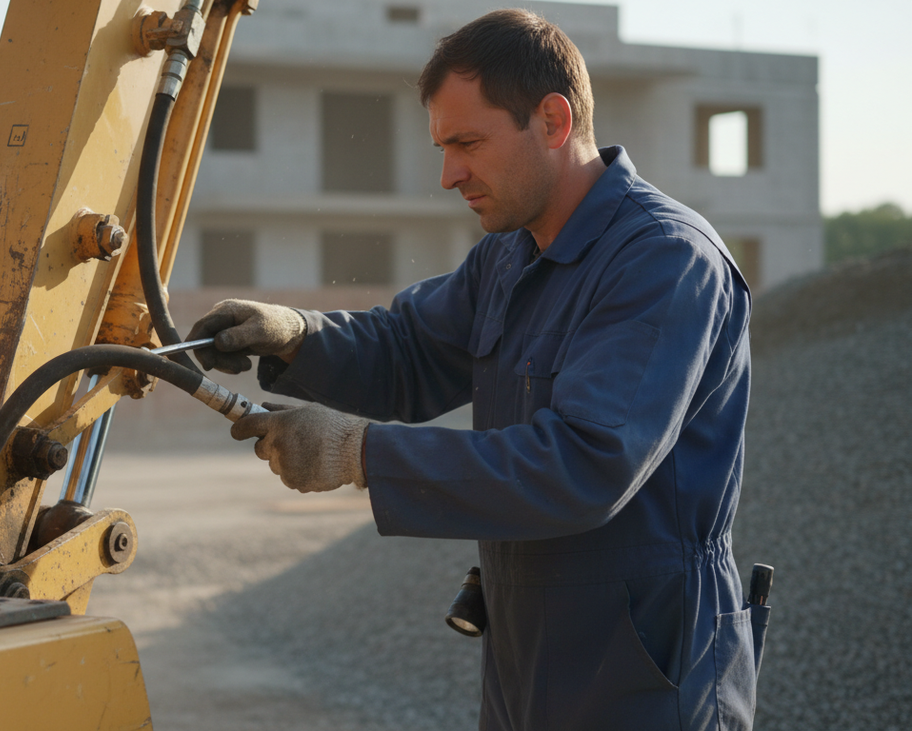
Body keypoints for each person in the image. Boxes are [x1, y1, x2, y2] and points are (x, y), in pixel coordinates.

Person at [187, 8, 759, 731]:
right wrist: (297, 336)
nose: (449, 173)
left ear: (553, 119)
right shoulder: (511, 252)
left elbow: (586, 463)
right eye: (441, 146)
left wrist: (354, 451)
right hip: (531, 653)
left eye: (467, 143)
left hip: (648, 663)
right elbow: (409, 351)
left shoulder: (663, 259)